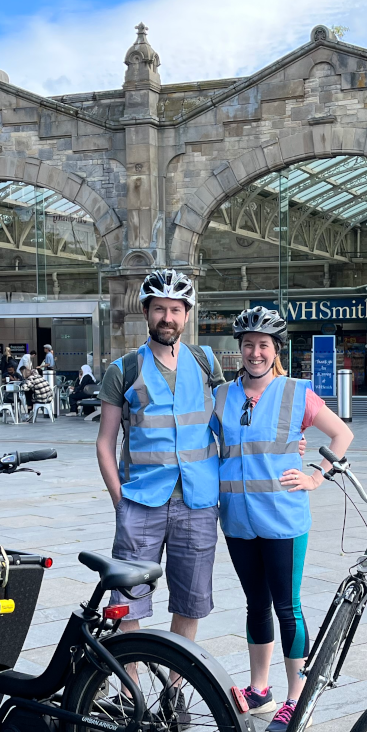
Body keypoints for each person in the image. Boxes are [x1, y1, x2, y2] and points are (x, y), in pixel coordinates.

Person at [214, 306, 353, 732]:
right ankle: (260, 690)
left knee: (286, 607)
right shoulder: (221, 395)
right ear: (239, 349)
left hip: (283, 520)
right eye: (248, 344)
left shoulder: (297, 392)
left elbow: (342, 433)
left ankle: (298, 698)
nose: (255, 352)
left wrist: (316, 476)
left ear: (276, 350)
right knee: (255, 604)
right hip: (237, 520)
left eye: (263, 345)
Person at [95, 269, 226, 649]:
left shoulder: (205, 362)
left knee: (192, 600)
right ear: (145, 311)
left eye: (175, 309)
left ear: (187, 315)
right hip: (141, 502)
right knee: (126, 603)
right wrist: (120, 500)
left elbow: (230, 424)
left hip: (197, 502)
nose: (166, 318)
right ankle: (131, 684)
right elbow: (105, 442)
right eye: (158, 309)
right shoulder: (124, 369)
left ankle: (174, 687)